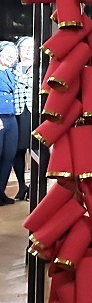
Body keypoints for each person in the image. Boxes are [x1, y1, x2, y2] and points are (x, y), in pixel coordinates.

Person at [12, 36, 34, 201]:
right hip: (17, 113)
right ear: (18, 50)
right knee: (18, 151)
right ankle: (21, 186)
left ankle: (34, 186)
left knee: (37, 150)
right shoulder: (10, 68)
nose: (27, 51)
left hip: (35, 112)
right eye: (24, 47)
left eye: (31, 47)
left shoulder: (42, 67)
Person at [0, 41, 20, 205]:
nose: (10, 56)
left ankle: (0, 191)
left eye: (13, 54)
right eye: (7, 52)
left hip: (11, 117)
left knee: (8, 155)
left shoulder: (10, 73)